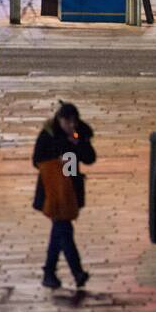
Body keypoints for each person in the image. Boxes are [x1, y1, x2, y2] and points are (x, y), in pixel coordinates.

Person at [33, 101, 95, 290]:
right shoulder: (48, 135)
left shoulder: (79, 134)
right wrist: (57, 159)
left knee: (60, 231)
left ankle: (49, 272)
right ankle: (76, 272)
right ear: (59, 120)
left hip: (71, 190)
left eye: (73, 122)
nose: (71, 126)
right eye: (67, 122)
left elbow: (89, 158)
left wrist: (78, 145)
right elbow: (37, 160)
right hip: (53, 191)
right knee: (64, 230)